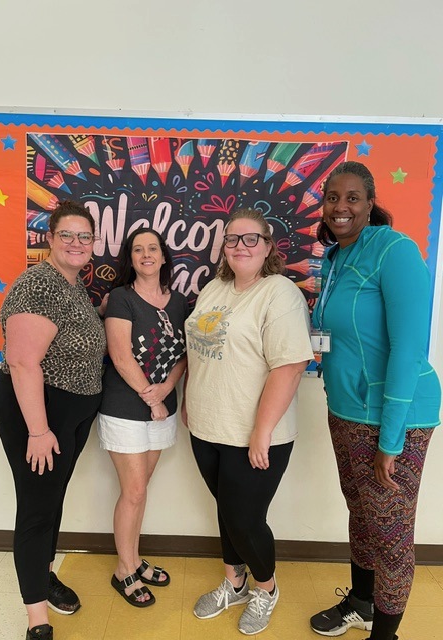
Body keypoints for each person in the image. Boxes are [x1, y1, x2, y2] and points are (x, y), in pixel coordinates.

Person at [310, 161, 441, 640]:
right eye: (332, 197)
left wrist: (391, 439)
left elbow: (408, 349)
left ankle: (385, 635)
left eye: (352, 198)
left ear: (370, 204)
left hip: (395, 417)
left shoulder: (395, 251)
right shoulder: (333, 258)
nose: (340, 207)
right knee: (362, 514)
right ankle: (362, 603)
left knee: (391, 534)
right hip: (345, 410)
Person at [183, 208, 313, 635]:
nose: (241, 246)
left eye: (251, 238)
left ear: (268, 246)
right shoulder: (214, 289)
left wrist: (262, 432)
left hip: (255, 433)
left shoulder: (279, 293)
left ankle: (265, 588)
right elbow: (200, 351)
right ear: (223, 247)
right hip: (207, 425)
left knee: (244, 519)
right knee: (227, 511)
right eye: (232, 239)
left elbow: (289, 366)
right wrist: (189, 399)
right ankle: (234, 583)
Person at [0, 201, 107, 640]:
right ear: (50, 239)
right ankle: (37, 622)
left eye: (84, 236)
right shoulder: (38, 284)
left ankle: (44, 574)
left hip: (69, 413)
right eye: (67, 235)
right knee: (37, 510)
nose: (76, 243)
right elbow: (23, 363)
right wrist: (38, 431)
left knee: (52, 499)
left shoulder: (73, 286)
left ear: (94, 242)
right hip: (39, 413)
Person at [97, 228, 188, 608]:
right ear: (130, 259)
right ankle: (124, 570)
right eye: (138, 250)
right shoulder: (121, 297)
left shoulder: (179, 301)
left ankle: (133, 560)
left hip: (163, 407)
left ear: (164, 256)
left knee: (141, 489)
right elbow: (120, 355)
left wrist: (166, 389)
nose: (146, 254)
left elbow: (185, 355)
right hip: (125, 409)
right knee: (133, 492)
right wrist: (152, 398)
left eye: (153, 248)